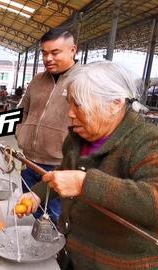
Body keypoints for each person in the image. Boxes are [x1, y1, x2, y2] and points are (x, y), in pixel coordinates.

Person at [17, 61, 158, 269]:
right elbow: (65, 174)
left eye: (79, 105)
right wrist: (37, 193)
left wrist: (86, 184)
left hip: (117, 263)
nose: (71, 114)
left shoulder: (146, 142)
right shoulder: (77, 139)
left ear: (115, 104)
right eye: (70, 104)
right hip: (72, 255)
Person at [16, 27, 79, 224]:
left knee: (55, 216)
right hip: (29, 161)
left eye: (55, 52)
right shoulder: (37, 80)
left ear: (73, 50)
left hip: (59, 164)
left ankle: (58, 252)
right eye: (44, 53)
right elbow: (22, 111)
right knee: (32, 210)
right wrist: (20, 134)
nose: (48, 59)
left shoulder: (83, 81)